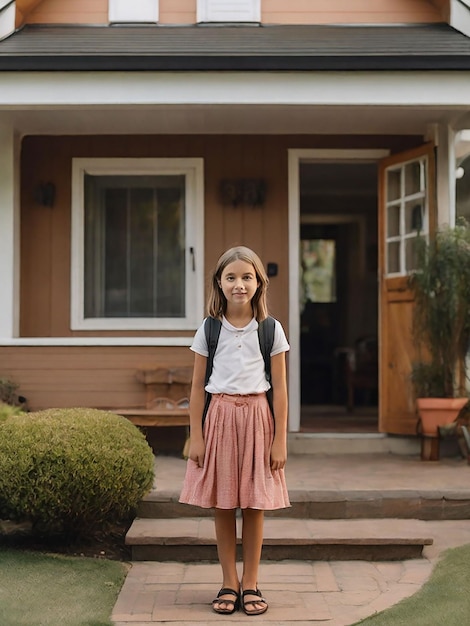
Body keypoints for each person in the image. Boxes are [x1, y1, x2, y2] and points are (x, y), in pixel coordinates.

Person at [179, 245, 290, 616]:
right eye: (231, 277)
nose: (239, 284)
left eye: (247, 277)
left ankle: (252, 582)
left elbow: (281, 388)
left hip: (259, 418)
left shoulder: (270, 330)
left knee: (255, 504)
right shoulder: (209, 330)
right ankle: (229, 581)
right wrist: (196, 435)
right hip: (220, 419)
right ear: (219, 283)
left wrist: (280, 440)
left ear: (259, 283)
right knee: (224, 504)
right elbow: (197, 387)